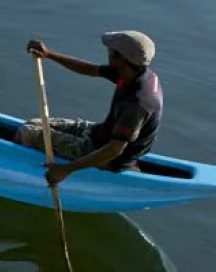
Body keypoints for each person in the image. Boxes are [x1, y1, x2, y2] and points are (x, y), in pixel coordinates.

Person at [21, 31, 162, 186]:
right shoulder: (132, 72)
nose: (107, 53)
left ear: (120, 58)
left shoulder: (136, 103)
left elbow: (114, 150)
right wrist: (48, 54)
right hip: (100, 133)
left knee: (26, 133)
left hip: (109, 155)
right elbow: (90, 69)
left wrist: (65, 170)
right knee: (35, 123)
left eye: (110, 50)